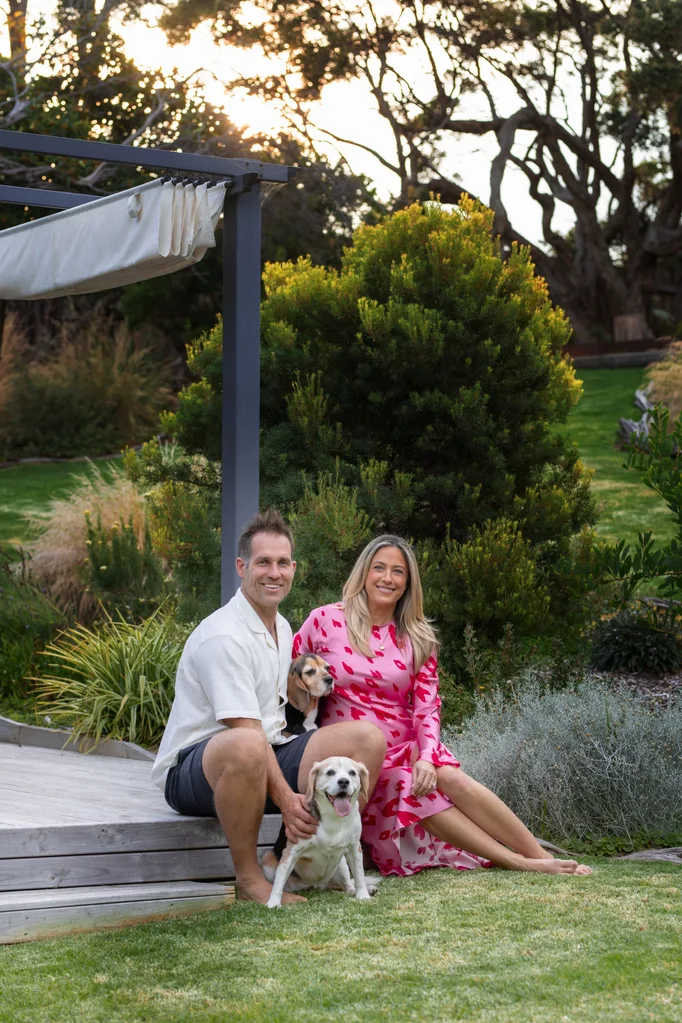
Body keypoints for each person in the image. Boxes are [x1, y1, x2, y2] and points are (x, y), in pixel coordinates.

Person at [294, 534, 592, 878]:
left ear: (408, 584)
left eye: (398, 572)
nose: (387, 578)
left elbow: (426, 708)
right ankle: (520, 863)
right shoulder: (325, 621)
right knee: (408, 785)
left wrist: (426, 757)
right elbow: (291, 675)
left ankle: (537, 854)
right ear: (364, 572)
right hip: (357, 755)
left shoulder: (418, 637)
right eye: (379, 568)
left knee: (449, 775)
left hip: (405, 742)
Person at [151, 510, 387, 905]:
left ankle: (320, 860)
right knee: (245, 742)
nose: (273, 572)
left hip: (266, 748)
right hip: (197, 768)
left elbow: (275, 729)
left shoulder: (280, 626)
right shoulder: (222, 636)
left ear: (293, 568)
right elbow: (247, 731)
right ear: (242, 567)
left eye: (282, 563)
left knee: (367, 738)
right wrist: (288, 799)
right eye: (263, 562)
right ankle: (249, 879)